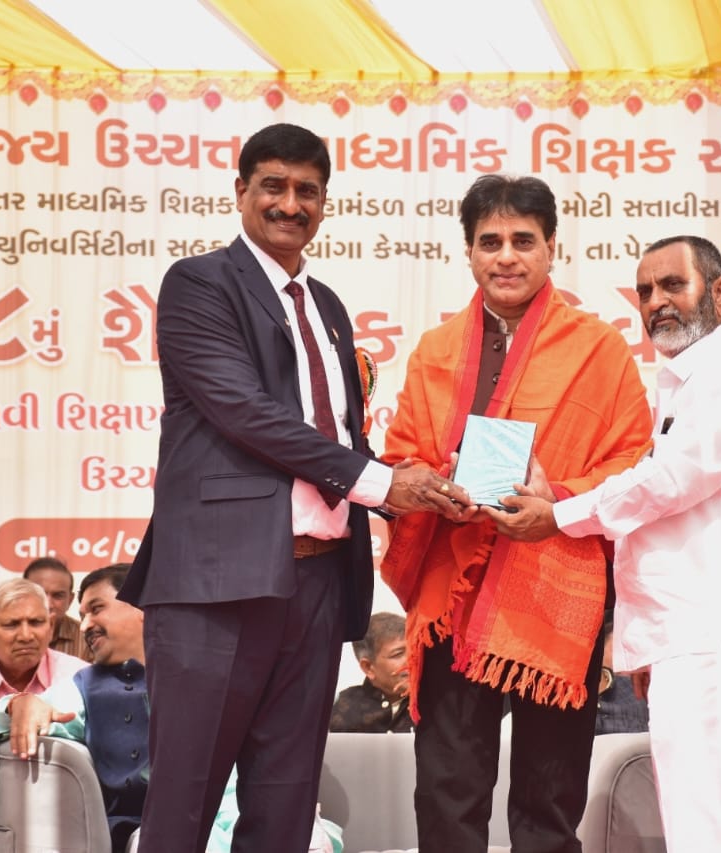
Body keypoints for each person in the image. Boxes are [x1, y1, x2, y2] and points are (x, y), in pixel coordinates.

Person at [118, 123, 466, 853]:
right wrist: (382, 482)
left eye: (307, 190)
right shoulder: (200, 283)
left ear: (324, 203)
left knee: (286, 809)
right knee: (183, 806)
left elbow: (341, 435)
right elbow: (246, 412)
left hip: (315, 583)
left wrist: (427, 488)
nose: (290, 204)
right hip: (218, 583)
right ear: (241, 191)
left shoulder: (327, 305)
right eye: (272, 185)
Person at [486, 235, 721, 851]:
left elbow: (673, 481)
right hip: (691, 635)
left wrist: (559, 515)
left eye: (673, 285)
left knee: (713, 829)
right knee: (715, 823)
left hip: (713, 636)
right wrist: (648, 646)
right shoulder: (689, 380)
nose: (656, 302)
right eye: (645, 291)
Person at [380, 174, 651, 852]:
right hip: (454, 584)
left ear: (552, 247)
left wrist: (555, 501)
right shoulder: (435, 349)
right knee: (448, 785)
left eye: (523, 241)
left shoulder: (598, 348)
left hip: (553, 583)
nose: (506, 256)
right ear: (469, 252)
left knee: (549, 793)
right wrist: (434, 486)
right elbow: (403, 453)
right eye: (490, 241)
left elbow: (631, 462)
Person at [0, 563, 148, 851]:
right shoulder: (86, 686)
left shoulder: (203, 674)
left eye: (96, 609)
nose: (84, 626)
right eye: (81, 616)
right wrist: (18, 705)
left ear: (141, 606)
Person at [0, 577, 89, 713]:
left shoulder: (80, 678)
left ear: (51, 626)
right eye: (11, 625)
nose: (26, 636)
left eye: (36, 622)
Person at [0, 556, 92, 661]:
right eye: (40, 594)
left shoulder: (87, 639)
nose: (48, 604)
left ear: (70, 600)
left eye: (57, 596)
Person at [329, 611, 411, 733]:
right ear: (368, 667)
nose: (411, 660)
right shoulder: (343, 709)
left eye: (415, 650)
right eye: (398, 654)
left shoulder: (434, 703)